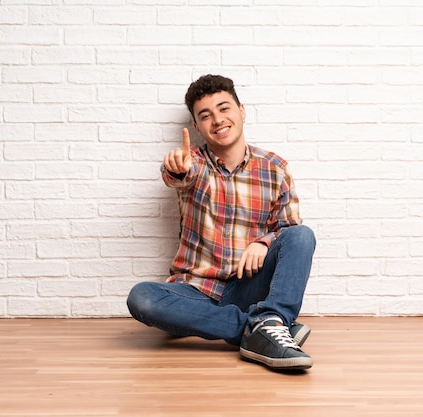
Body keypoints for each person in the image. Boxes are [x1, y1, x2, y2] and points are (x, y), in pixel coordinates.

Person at [126, 74, 316, 371]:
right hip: (194, 291)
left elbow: (288, 229)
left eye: (224, 108)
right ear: (197, 127)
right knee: (143, 298)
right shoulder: (192, 164)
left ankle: (267, 320)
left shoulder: (275, 168)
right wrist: (176, 168)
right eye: (206, 115)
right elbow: (176, 174)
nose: (217, 120)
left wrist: (263, 242)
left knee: (302, 235)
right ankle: (265, 326)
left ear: (241, 110)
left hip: (246, 286)